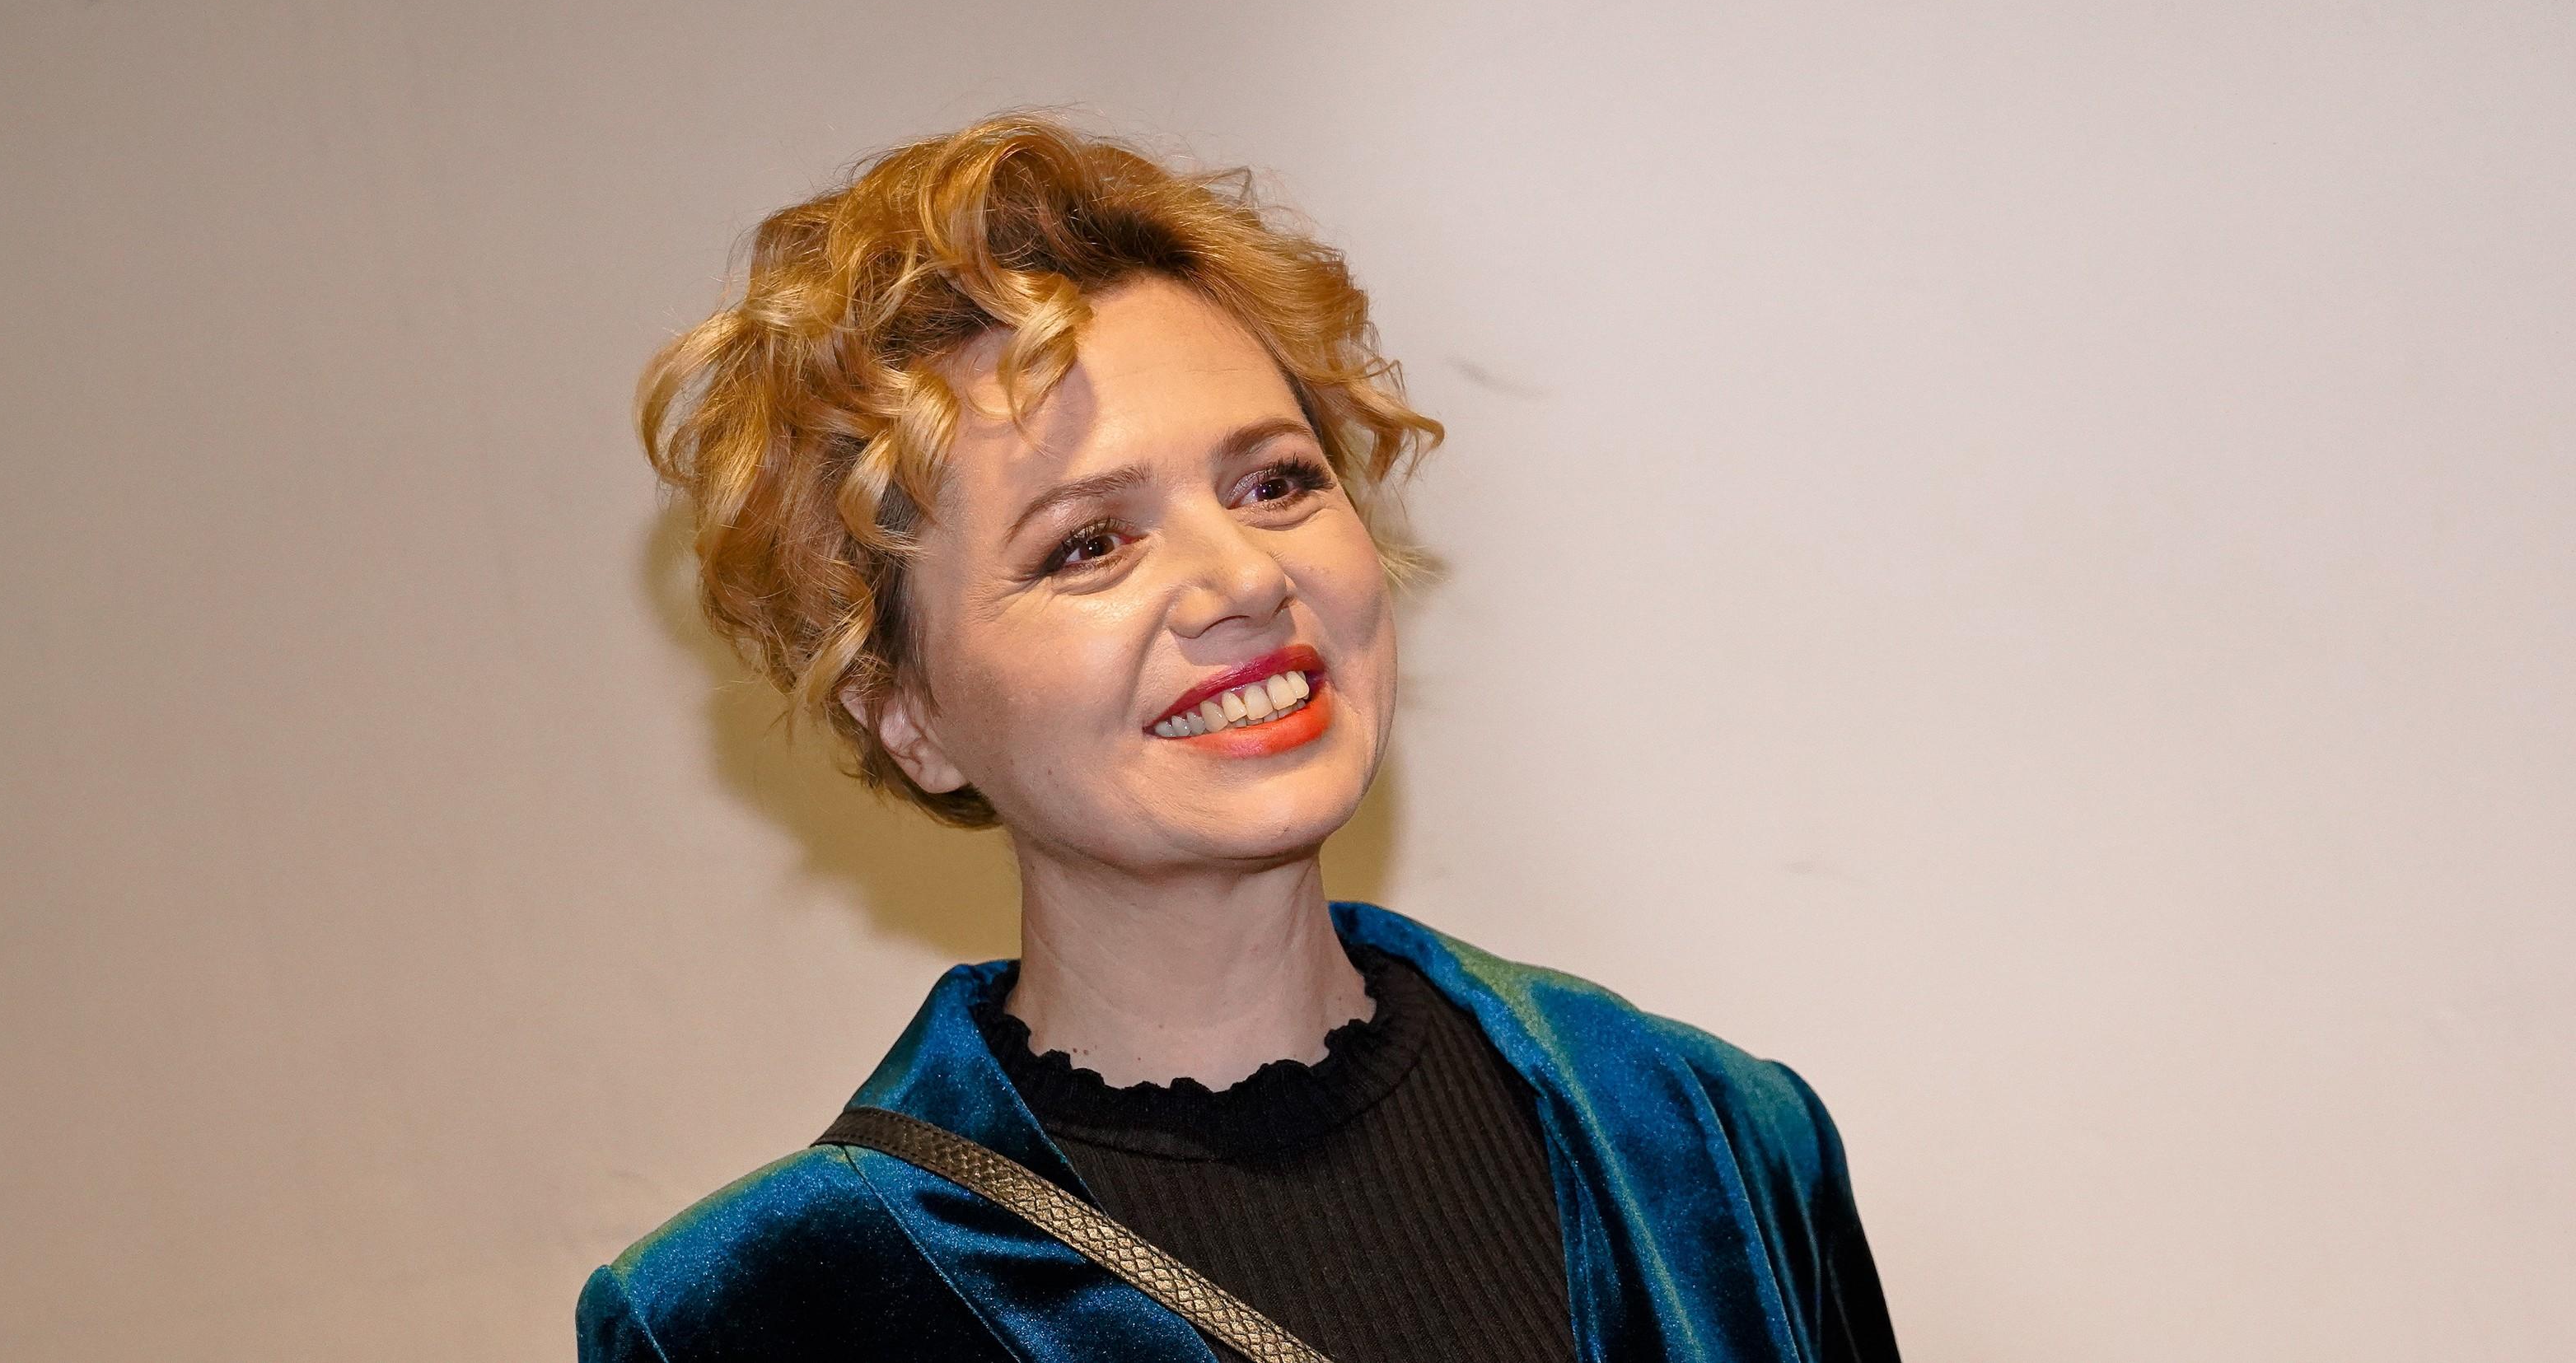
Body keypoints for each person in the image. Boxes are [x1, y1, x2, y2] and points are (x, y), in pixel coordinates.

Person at [578, 111, 1897, 1363]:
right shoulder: (757, 1317)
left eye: (1275, 482)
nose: (1245, 579)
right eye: (1090, 543)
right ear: (907, 715)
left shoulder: (1715, 1139)